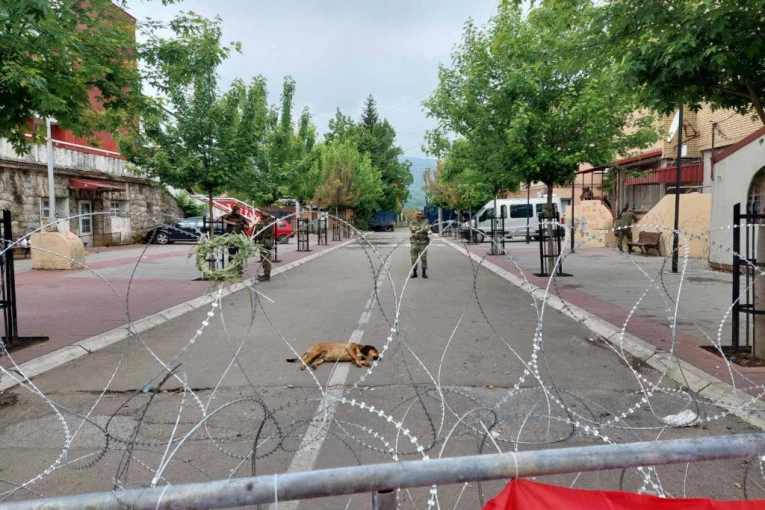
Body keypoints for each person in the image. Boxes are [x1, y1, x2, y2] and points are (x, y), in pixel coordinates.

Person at [221, 206, 248, 273]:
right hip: (231, 237)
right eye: (237, 211)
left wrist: (244, 226)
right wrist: (230, 222)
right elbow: (220, 219)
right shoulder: (229, 216)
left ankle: (239, 269)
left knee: (239, 254)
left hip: (239, 238)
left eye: (239, 211)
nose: (239, 212)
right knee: (231, 254)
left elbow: (247, 226)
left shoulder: (241, 217)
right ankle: (231, 269)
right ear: (234, 211)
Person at [254, 210, 274, 282]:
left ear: (267, 213)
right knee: (264, 259)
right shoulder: (264, 220)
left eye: (264, 212)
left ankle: (266, 276)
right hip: (263, 241)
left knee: (266, 259)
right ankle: (266, 274)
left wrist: (259, 225)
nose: (262, 213)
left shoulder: (269, 220)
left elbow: (266, 229)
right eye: (262, 212)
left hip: (266, 242)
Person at [409, 210, 430, 279]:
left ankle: (424, 272)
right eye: (418, 214)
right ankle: (414, 272)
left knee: (423, 258)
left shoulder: (426, 221)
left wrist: (418, 230)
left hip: (423, 242)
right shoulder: (413, 221)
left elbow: (427, 228)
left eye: (421, 214)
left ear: (423, 214)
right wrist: (420, 229)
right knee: (413, 258)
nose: (419, 215)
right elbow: (411, 228)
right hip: (414, 242)